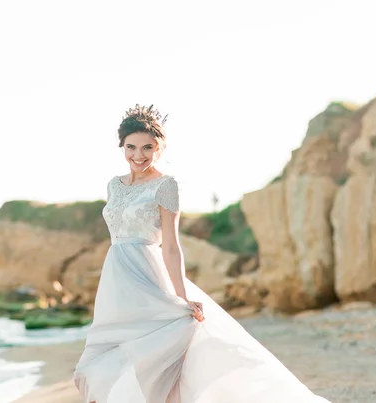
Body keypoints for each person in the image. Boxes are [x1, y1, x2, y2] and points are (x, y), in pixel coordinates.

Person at [72, 105, 331, 403]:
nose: (139, 155)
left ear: (160, 147)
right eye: (131, 147)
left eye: (148, 147)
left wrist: (181, 295)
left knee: (157, 356)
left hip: (148, 276)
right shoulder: (113, 186)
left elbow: (170, 245)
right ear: (121, 146)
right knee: (103, 357)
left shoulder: (166, 186)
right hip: (116, 281)